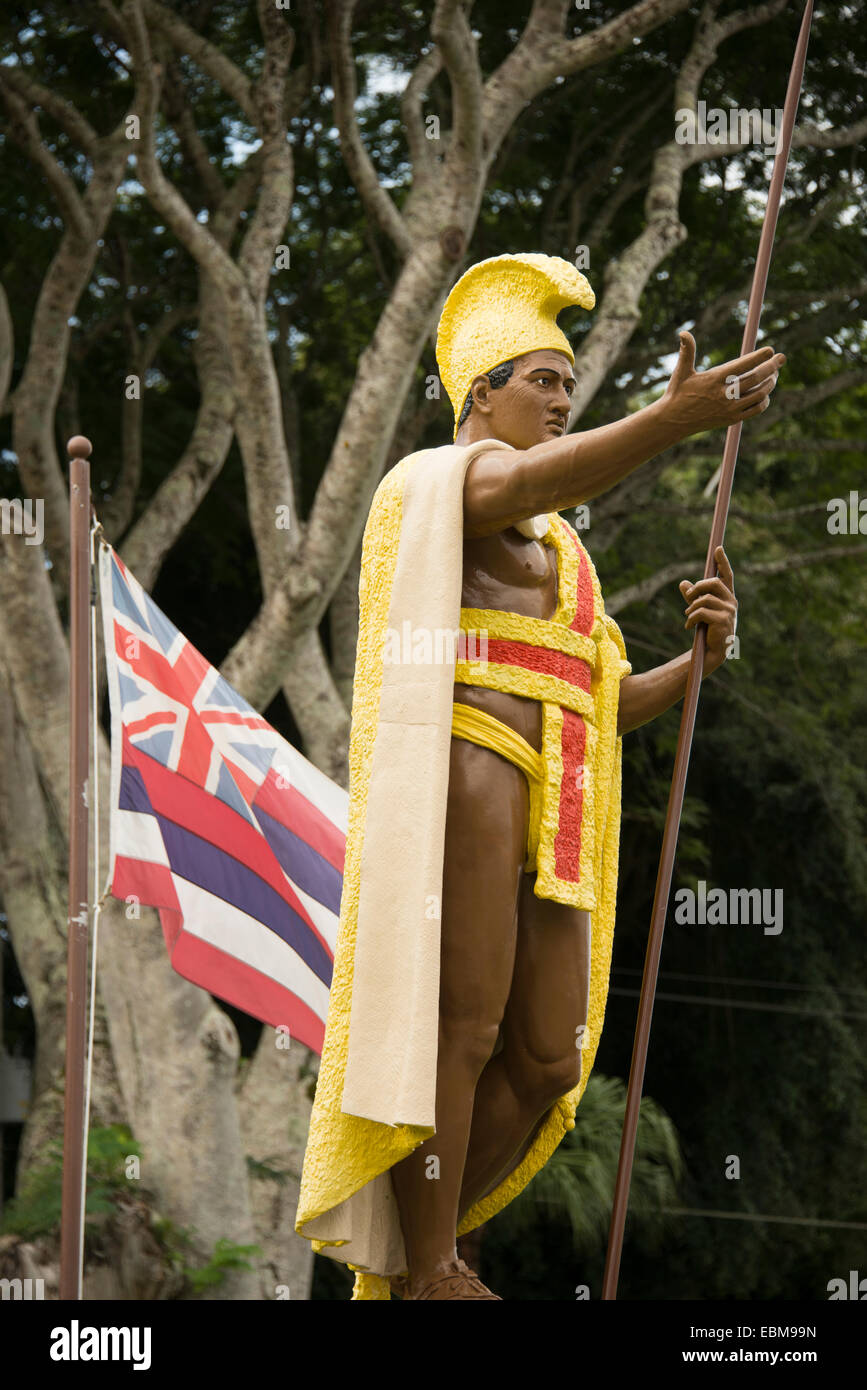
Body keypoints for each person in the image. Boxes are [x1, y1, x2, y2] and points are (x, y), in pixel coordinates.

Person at [295, 253, 784, 1300]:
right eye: (544, 381)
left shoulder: (566, 556)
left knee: (551, 1056)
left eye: (570, 385)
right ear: (481, 392)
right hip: (471, 775)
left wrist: (698, 666)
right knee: (462, 1027)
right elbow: (524, 481)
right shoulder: (439, 481)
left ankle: (424, 1237)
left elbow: (604, 700)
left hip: (558, 800)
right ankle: (429, 1264)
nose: (564, 400)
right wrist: (671, 421)